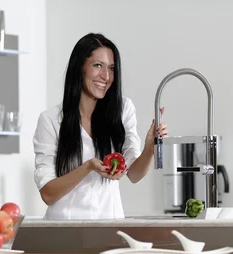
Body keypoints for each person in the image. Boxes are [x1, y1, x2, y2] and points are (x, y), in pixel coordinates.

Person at [33, 33, 168, 220]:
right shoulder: (51, 120)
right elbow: (48, 194)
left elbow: (134, 175)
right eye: (98, 65)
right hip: (64, 229)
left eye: (111, 68)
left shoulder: (123, 110)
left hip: (109, 228)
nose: (106, 76)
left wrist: (150, 148)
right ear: (79, 67)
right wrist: (88, 167)